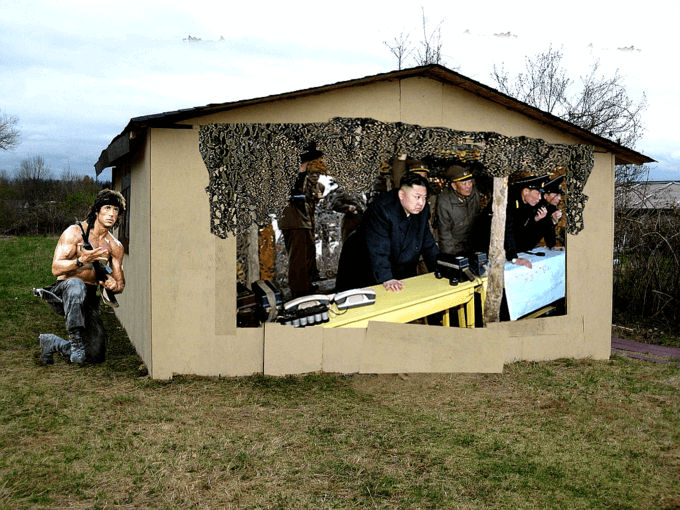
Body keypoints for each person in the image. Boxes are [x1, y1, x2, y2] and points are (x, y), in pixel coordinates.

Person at [35, 189, 126, 365]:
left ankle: (53, 342)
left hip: (89, 296)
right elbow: (56, 268)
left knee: (95, 355)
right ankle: (76, 342)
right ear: (97, 211)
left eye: (116, 210)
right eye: (107, 208)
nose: (111, 214)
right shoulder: (75, 232)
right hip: (65, 290)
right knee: (76, 285)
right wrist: (81, 260)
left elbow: (120, 283)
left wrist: (115, 285)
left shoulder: (115, 246)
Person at [335, 172, 439, 293]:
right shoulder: (381, 209)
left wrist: (441, 269)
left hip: (395, 260)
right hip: (364, 260)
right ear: (401, 194)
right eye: (417, 197)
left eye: (424, 197)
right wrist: (386, 278)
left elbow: (428, 243)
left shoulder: (422, 209)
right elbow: (378, 248)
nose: (421, 203)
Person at [473, 174, 549, 269]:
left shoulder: (525, 202)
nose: (540, 198)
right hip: (484, 244)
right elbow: (506, 229)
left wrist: (535, 219)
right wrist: (513, 258)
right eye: (538, 194)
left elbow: (520, 228)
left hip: (502, 245)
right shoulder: (508, 200)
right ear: (525, 191)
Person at [279, 147, 325, 298]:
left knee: (305, 256)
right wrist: (302, 166)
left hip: (301, 221)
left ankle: (307, 287)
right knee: (298, 259)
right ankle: (300, 293)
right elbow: (295, 188)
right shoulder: (287, 175)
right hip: (294, 221)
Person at [436, 164, 481, 257]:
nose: (469, 186)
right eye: (464, 184)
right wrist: (450, 257)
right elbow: (445, 234)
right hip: (455, 246)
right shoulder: (444, 202)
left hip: (471, 243)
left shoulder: (474, 194)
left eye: (470, 182)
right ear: (454, 186)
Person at [515, 174, 566, 253]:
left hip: (527, 247)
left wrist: (553, 222)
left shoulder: (551, 206)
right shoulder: (533, 204)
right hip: (517, 244)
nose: (559, 198)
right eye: (556, 195)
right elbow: (522, 228)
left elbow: (547, 228)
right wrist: (536, 219)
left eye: (560, 195)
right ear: (545, 196)